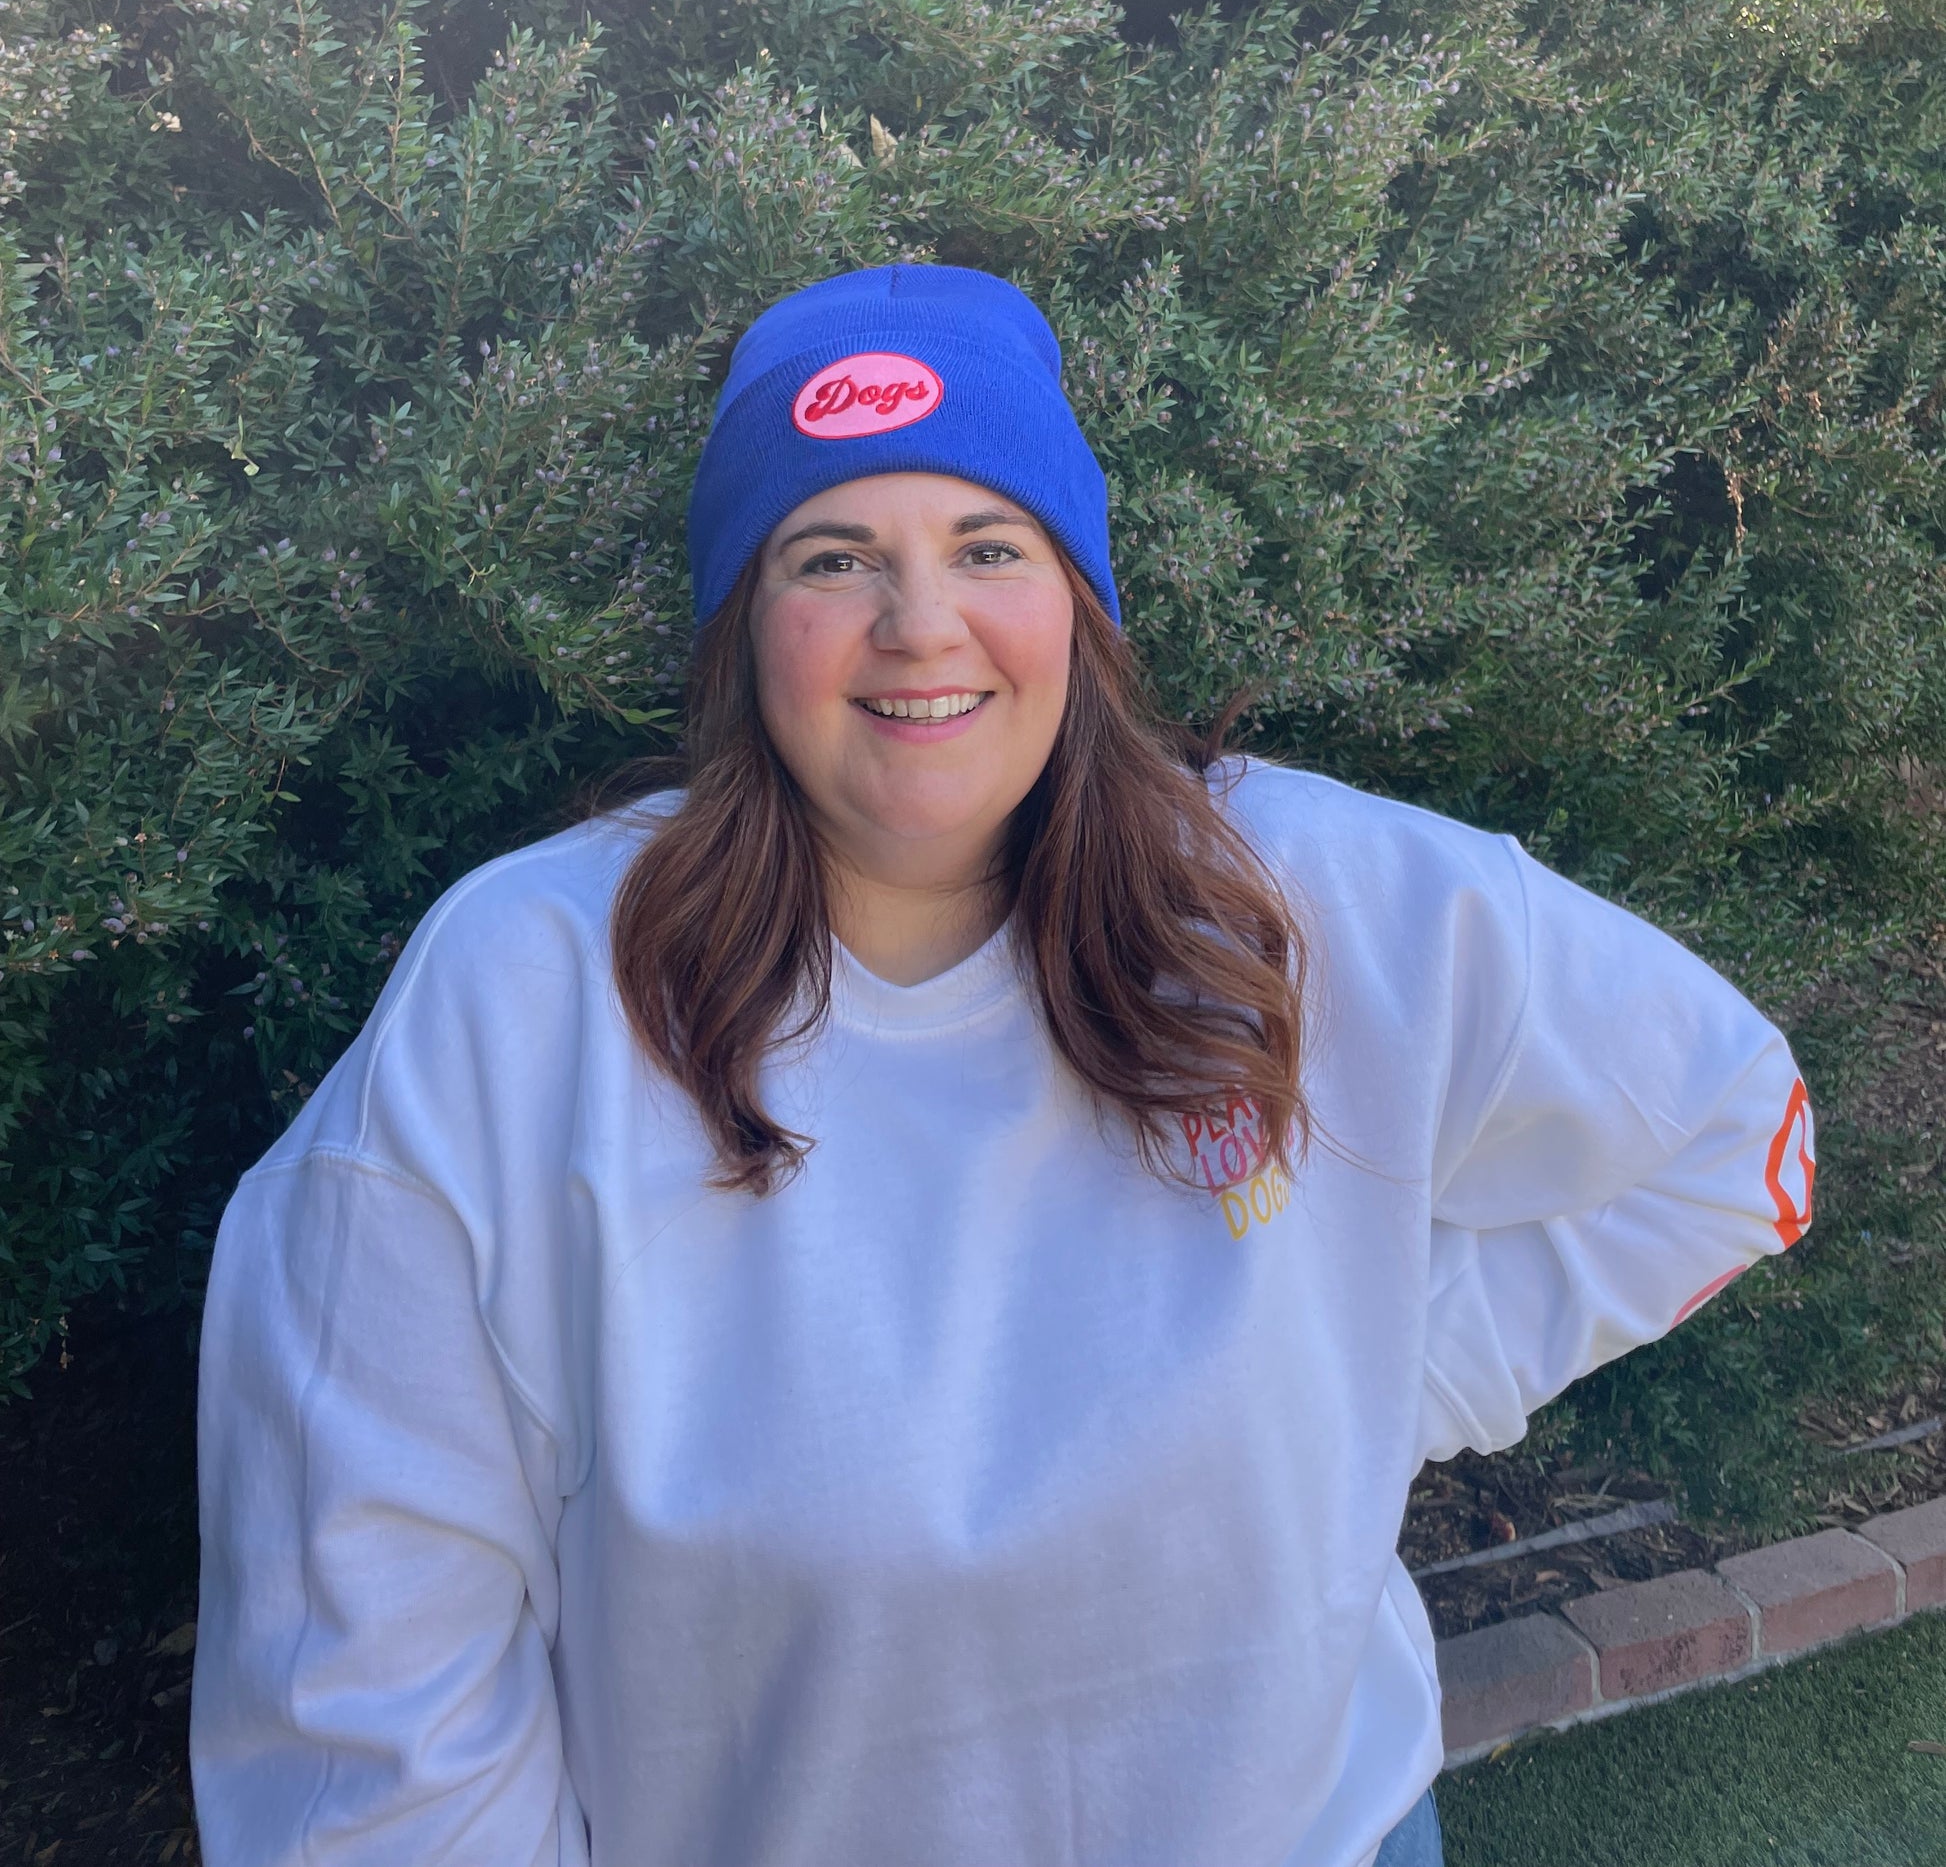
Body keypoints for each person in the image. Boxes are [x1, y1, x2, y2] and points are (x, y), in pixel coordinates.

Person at [191, 264, 1815, 1867]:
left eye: (987, 546)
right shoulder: (522, 995)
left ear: (1075, 606)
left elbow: (1730, 1130)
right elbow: (370, 1669)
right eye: (832, 557)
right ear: (742, 628)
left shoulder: (1329, 903)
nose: (921, 625)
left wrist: (1376, 1387)